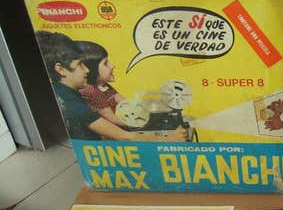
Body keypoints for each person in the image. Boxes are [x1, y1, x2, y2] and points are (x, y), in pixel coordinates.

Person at [35, 31, 187, 142]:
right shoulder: (70, 103)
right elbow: (124, 136)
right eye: (80, 64)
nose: (86, 70)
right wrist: (168, 139)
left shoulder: (66, 92)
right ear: (61, 69)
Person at [75, 41, 126, 127]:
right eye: (105, 63)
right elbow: (114, 120)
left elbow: (126, 103)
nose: (112, 66)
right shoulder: (90, 91)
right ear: (92, 69)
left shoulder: (102, 85)